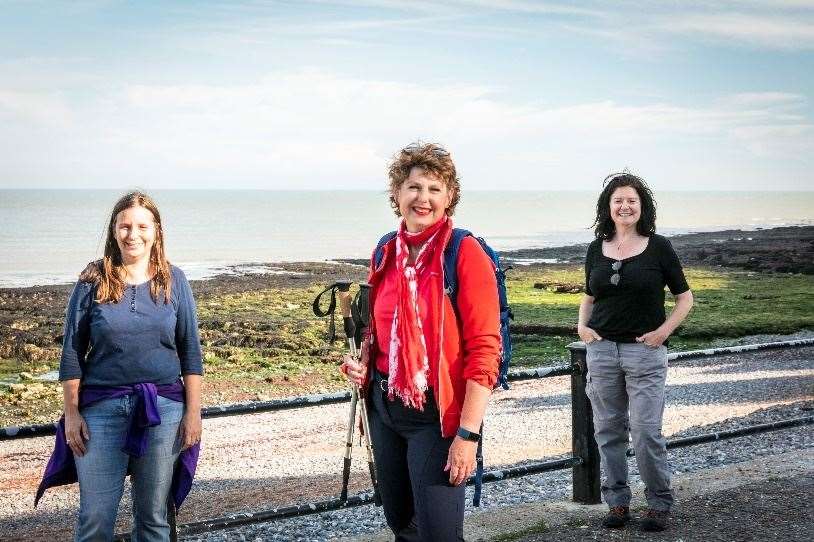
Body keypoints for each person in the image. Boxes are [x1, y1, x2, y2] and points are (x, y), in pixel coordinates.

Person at [341, 142, 501, 541]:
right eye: (414, 187)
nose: (423, 198)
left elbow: (485, 349)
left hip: (436, 414)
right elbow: (376, 329)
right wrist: (364, 360)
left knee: (440, 535)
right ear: (397, 195)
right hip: (384, 406)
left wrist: (468, 436)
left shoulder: (463, 253)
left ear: (449, 197)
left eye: (434, 189)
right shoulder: (386, 250)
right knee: (402, 525)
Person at [36, 191, 203, 542]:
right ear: (114, 230)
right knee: (96, 519)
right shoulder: (92, 281)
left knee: (154, 518)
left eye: (142, 226)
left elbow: (190, 351)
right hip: (100, 411)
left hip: (164, 410)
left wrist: (193, 413)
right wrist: (71, 414)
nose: (133, 234)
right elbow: (71, 354)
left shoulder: (175, 280)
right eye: (124, 226)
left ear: (156, 230)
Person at [577, 172, 694, 532]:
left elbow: (684, 298)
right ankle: (617, 504)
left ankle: (658, 504)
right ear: (608, 208)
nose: (624, 206)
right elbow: (589, 294)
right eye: (618, 201)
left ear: (641, 207)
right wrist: (582, 327)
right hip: (602, 352)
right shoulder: (597, 248)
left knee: (646, 432)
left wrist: (663, 332)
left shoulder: (659, 247)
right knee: (608, 431)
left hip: (645, 353)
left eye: (631, 201)